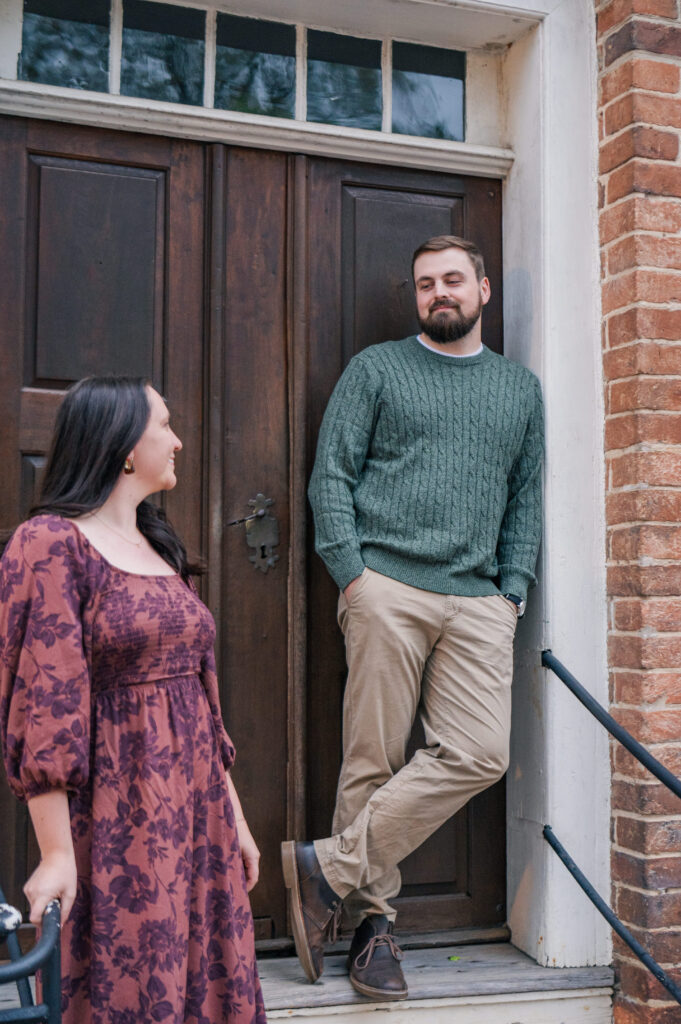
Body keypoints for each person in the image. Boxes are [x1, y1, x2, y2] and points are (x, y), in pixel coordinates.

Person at [282, 235, 544, 1001]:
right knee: (371, 758)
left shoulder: (518, 389)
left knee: (479, 753)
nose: (439, 293)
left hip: (478, 598)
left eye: (453, 280)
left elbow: (525, 496)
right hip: (386, 587)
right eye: (426, 283)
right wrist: (352, 575)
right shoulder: (376, 369)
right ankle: (373, 930)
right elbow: (331, 476)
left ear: (483, 290)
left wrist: (512, 589)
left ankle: (324, 871)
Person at [0, 377, 266, 1024]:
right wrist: (56, 853)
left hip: (198, 812)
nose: (177, 442)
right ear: (122, 445)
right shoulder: (50, 543)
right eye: (164, 425)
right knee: (136, 986)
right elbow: (45, 702)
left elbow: (199, 704)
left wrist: (234, 817)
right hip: (122, 817)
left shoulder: (157, 545)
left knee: (208, 986)